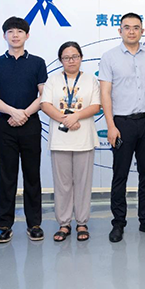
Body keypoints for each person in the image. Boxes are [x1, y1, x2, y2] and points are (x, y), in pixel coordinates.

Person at [98, 12, 145, 243]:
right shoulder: (109, 57)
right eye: (127, 27)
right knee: (120, 175)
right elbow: (105, 93)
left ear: (142, 31)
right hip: (122, 124)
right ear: (120, 31)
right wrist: (110, 125)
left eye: (136, 27)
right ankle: (118, 223)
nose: (131, 31)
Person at [0, 16, 48, 243]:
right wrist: (13, 112)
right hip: (5, 125)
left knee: (32, 175)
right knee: (6, 175)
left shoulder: (38, 63)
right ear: (4, 36)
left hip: (31, 124)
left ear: (27, 35)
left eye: (20, 31)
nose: (15, 35)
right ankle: (3, 225)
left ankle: (35, 224)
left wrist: (24, 114)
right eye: (10, 31)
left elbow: (44, 95)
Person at [40, 41, 100, 242]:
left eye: (75, 56)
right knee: (62, 184)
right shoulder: (53, 80)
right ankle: (64, 223)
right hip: (60, 139)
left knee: (83, 183)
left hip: (84, 138)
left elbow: (96, 106)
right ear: (61, 60)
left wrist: (76, 117)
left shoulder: (91, 80)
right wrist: (66, 119)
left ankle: (82, 222)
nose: (71, 61)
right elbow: (45, 105)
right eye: (66, 57)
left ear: (81, 58)